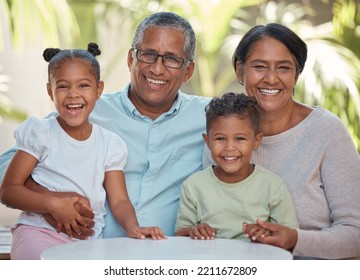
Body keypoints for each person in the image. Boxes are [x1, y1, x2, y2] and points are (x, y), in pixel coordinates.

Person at [0, 12, 210, 238]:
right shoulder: (85, 110)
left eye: (171, 59)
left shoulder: (210, 118)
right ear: (131, 59)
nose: (157, 69)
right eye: (148, 54)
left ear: (188, 71)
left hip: (169, 257)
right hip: (92, 251)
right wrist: (51, 201)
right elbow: (6, 165)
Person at [203, 23, 360, 259]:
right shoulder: (221, 136)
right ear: (239, 70)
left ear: (296, 74)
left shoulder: (327, 131)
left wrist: (296, 239)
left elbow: (355, 235)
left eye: (284, 68)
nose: (271, 78)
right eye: (259, 66)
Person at [0, 43, 166, 259]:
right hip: (38, 232)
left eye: (83, 86)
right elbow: (9, 191)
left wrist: (132, 227)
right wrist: (52, 204)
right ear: (50, 91)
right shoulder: (41, 133)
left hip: (86, 241)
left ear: (99, 90)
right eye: (63, 86)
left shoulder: (109, 144)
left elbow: (119, 201)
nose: (73, 95)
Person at [175, 92, 298, 241]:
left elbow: (289, 241)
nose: (229, 148)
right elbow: (180, 236)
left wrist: (264, 234)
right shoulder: (194, 186)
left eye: (239, 138)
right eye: (220, 138)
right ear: (208, 141)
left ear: (256, 141)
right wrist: (195, 231)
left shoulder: (273, 187)